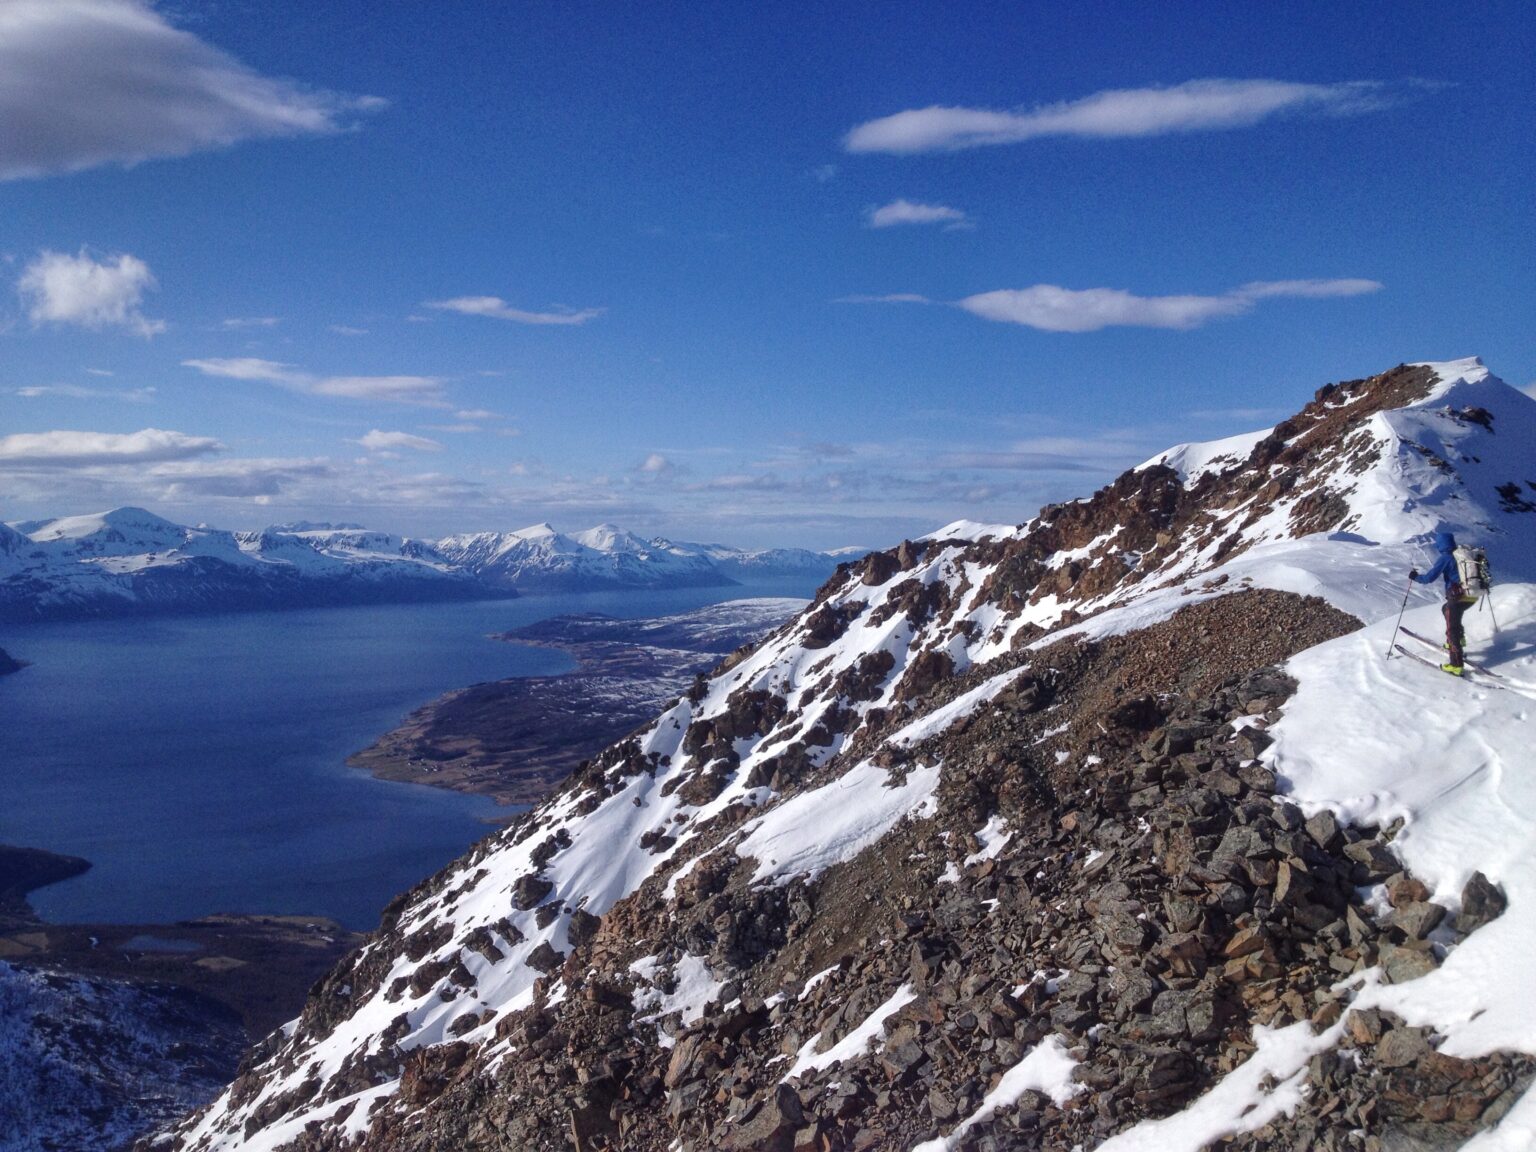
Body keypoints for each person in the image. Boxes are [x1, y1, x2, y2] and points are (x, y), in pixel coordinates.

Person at [1409, 531, 1477, 676]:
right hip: (1473, 594)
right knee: (1447, 610)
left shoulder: (1446, 558)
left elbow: (1429, 578)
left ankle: (1456, 665)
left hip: (1458, 596)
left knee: (1451, 627)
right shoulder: (1463, 555)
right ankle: (1460, 639)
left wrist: (1415, 577)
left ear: (1440, 545)